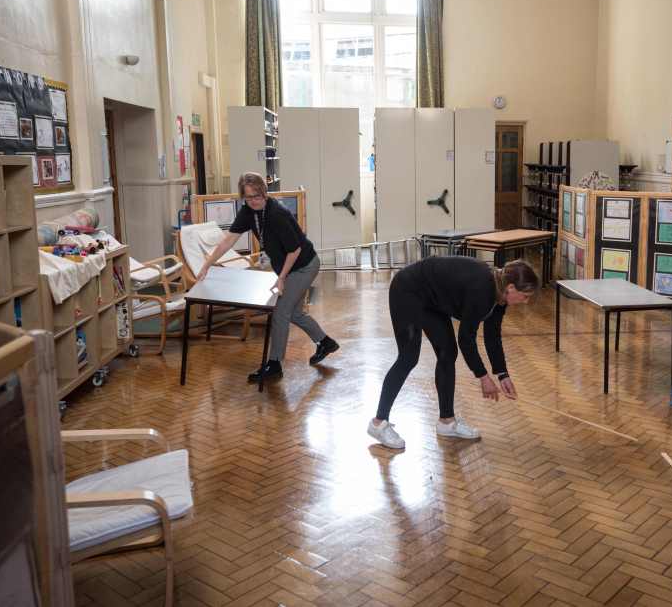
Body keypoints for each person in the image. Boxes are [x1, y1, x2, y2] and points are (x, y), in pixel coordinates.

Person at [367, 256, 539, 450]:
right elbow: (466, 339)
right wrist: (483, 377)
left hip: (432, 299)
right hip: (408, 290)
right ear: (511, 288)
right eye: (525, 296)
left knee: (447, 352)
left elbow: (492, 335)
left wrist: (502, 374)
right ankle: (378, 423)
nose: (525, 302)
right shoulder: (482, 291)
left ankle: (446, 422)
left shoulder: (499, 294)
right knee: (408, 358)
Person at [198, 173, 339, 382]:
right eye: (249, 197)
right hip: (291, 268)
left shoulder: (277, 214)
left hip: (304, 266)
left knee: (281, 311)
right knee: (294, 313)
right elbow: (228, 241)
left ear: (264, 192)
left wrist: (281, 278)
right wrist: (207, 264)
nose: (254, 201)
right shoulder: (248, 212)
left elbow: (295, 250)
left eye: (257, 196)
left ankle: (274, 364)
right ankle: (325, 342)